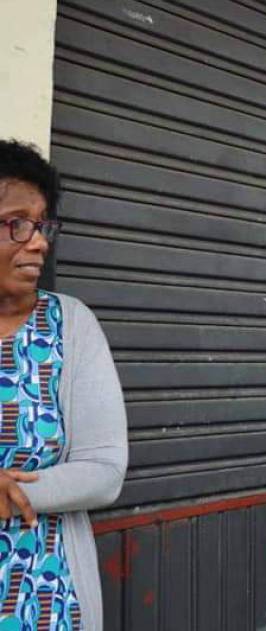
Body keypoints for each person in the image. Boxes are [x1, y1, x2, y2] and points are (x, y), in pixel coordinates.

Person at [0, 140, 128, 630]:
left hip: (47, 597)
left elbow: (105, 469)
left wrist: (8, 491)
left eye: (43, 224)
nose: (38, 242)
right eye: (18, 224)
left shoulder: (69, 325)